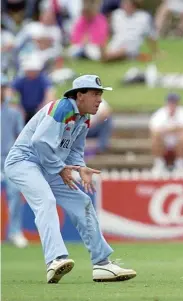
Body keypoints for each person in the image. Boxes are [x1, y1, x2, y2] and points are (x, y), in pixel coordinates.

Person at [3, 75, 137, 284]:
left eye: (100, 94)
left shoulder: (84, 117)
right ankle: (55, 260)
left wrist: (81, 167)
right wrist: (60, 168)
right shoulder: (62, 108)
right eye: (95, 94)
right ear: (79, 95)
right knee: (45, 201)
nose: (99, 100)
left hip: (51, 166)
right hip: (24, 162)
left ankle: (102, 264)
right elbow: (39, 142)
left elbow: (75, 150)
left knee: (82, 202)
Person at [1, 75, 27, 248]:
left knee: (15, 192)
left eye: (3, 87)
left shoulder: (14, 112)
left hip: (8, 159)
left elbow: (22, 137)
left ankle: (15, 231)